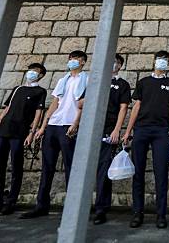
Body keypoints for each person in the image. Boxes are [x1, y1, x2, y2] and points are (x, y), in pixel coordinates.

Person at [21, 50, 88, 219]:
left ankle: (72, 207)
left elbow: (84, 104)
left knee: (70, 167)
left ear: (83, 62)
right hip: (53, 125)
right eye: (71, 58)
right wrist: (43, 126)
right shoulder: (63, 80)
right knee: (47, 167)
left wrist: (76, 123)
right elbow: (55, 103)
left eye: (76, 59)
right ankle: (41, 205)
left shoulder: (86, 79)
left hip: (69, 126)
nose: (72, 61)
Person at [0, 63, 47, 216]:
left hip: (20, 132)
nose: (31, 73)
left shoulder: (40, 91)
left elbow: (38, 113)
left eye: (35, 71)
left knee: (16, 166)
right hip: (4, 130)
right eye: (30, 70)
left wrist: (31, 132)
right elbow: (7, 108)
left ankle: (10, 202)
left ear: (41, 75)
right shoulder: (17, 89)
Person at [122, 50, 169, 229]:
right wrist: (128, 131)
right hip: (141, 130)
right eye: (159, 59)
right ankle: (137, 213)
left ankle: (161, 215)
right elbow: (136, 106)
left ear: (168, 64)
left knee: (160, 173)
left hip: (161, 131)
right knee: (138, 172)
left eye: (165, 60)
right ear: (154, 61)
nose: (162, 62)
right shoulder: (143, 82)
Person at [75, 54, 131, 225]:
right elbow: (80, 104)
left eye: (117, 62)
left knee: (103, 171)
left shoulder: (122, 85)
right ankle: (79, 207)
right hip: (89, 129)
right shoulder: (95, 82)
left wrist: (116, 130)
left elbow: (123, 109)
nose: (113, 64)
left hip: (108, 131)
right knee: (83, 170)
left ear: (120, 66)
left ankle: (101, 209)